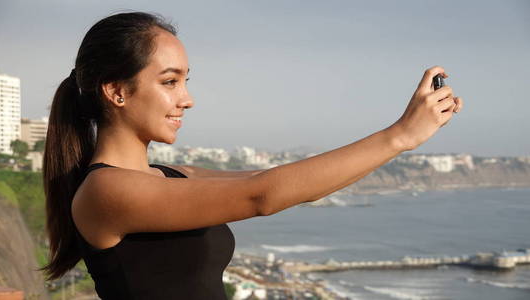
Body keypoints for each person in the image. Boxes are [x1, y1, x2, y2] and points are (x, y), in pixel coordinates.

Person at [38, 11, 463, 300]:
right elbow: (262, 196)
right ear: (116, 91)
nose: (187, 99)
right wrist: (400, 136)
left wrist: (402, 137)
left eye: (185, 81)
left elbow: (282, 181)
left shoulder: (171, 175)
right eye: (170, 82)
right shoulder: (105, 192)